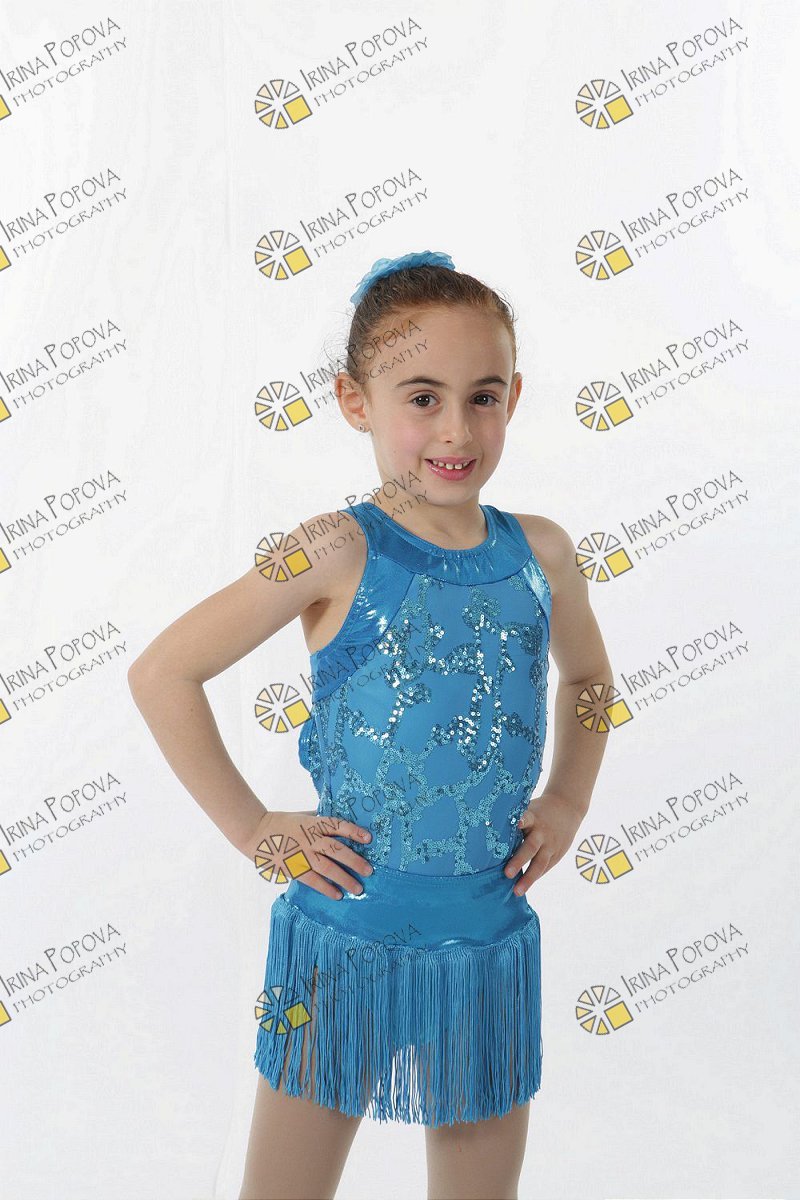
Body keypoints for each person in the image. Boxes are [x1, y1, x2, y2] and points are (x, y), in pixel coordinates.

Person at [127, 250, 614, 1200]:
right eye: (422, 398)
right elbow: (163, 673)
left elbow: (590, 680)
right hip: (344, 934)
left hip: (485, 940)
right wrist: (253, 828)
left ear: (514, 398)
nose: (456, 429)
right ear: (356, 400)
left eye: (482, 397)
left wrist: (568, 795)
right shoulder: (332, 548)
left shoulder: (544, 552)